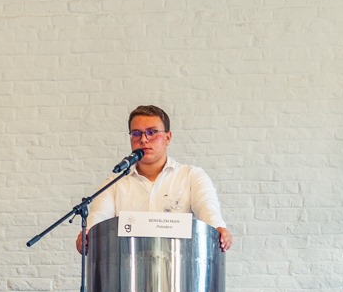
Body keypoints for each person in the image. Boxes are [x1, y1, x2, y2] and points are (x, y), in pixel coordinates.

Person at [77, 106, 232, 253]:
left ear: (168, 137)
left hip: (179, 271)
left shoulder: (191, 176)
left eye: (152, 132)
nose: (144, 140)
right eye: (136, 133)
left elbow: (208, 210)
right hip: (127, 272)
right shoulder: (114, 184)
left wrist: (218, 229)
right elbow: (97, 220)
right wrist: (87, 235)